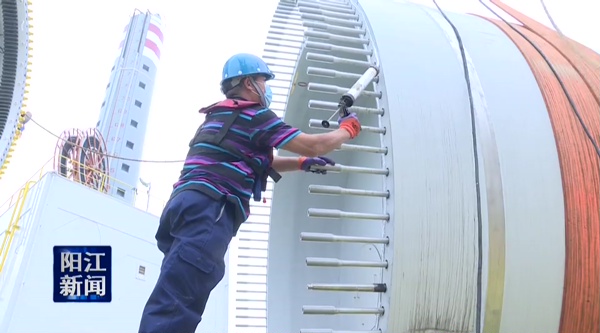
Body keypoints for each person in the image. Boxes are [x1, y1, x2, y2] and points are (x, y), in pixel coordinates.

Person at [138, 53, 362, 333]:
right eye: (262, 81)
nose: (266, 88)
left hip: (181, 208)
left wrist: (301, 164)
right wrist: (347, 130)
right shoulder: (255, 116)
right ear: (248, 83)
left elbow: (250, 159)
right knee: (179, 302)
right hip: (211, 209)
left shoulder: (218, 116)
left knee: (175, 288)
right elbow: (314, 144)